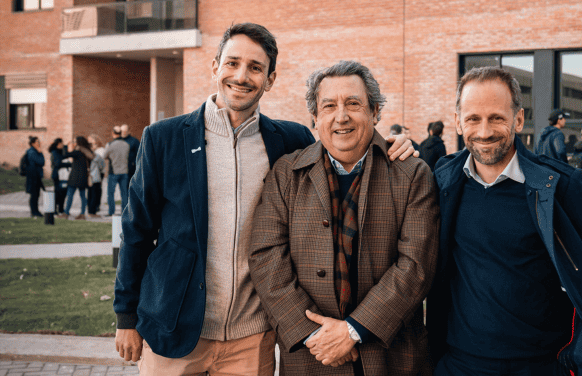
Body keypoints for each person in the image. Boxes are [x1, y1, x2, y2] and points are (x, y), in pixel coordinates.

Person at [113, 23, 416, 374]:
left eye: (255, 68)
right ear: (215, 67)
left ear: (270, 79)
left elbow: (343, 143)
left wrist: (392, 145)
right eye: (232, 63)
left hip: (252, 335)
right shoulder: (163, 139)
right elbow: (136, 231)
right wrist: (126, 316)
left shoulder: (289, 140)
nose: (242, 76)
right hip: (174, 325)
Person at [427, 66, 582, 376]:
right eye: (473, 119)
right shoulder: (443, 180)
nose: (484, 131)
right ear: (457, 122)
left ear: (518, 119)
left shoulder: (561, 188)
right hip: (458, 365)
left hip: (540, 365)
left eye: (497, 118)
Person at [249, 60, 439, 376]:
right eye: (329, 106)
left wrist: (352, 331)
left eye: (353, 103)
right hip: (312, 357)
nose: (341, 116)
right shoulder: (286, 174)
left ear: (375, 111)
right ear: (315, 117)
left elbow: (416, 265)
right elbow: (266, 257)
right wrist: (315, 335)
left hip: (391, 358)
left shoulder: (412, 174)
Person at [57, 136, 93, 220]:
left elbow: (65, 155)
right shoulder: (88, 153)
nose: (74, 143)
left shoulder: (77, 152)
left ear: (78, 143)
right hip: (83, 177)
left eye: (75, 142)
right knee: (83, 196)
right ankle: (82, 214)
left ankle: (66, 213)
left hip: (75, 177)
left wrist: (66, 146)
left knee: (70, 195)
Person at [103, 126, 130, 216]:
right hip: (124, 171)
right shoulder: (126, 144)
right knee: (124, 193)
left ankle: (111, 212)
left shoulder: (111, 145)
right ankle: (124, 212)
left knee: (111, 193)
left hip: (114, 171)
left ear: (113, 133)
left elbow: (104, 156)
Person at [48, 138, 70, 214]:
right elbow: (58, 163)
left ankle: (61, 209)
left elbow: (66, 155)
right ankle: (54, 209)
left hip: (63, 176)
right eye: (62, 143)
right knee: (58, 193)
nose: (63, 145)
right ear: (59, 144)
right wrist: (70, 164)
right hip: (57, 175)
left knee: (63, 192)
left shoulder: (60, 151)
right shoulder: (55, 152)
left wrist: (66, 147)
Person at [25, 136, 46, 218]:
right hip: (33, 176)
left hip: (35, 175)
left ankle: (35, 211)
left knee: (36, 194)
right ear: (33, 143)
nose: (39, 143)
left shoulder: (33, 151)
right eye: (37, 141)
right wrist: (40, 153)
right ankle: (34, 212)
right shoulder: (32, 152)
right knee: (34, 194)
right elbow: (41, 162)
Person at [87, 135, 106, 218]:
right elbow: (102, 165)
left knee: (90, 193)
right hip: (95, 176)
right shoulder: (96, 156)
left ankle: (90, 210)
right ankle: (92, 212)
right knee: (94, 194)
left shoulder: (86, 155)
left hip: (89, 176)